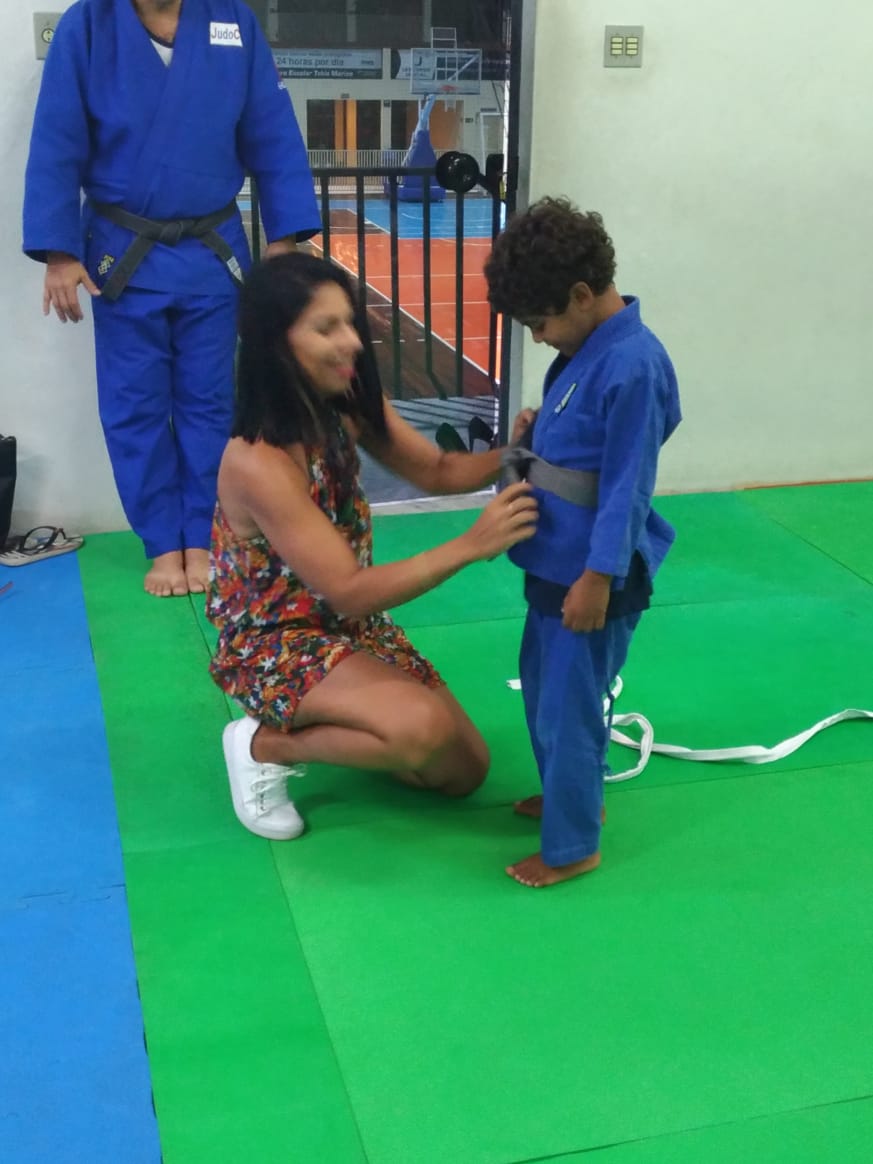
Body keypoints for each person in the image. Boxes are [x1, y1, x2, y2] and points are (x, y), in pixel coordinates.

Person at [206, 252, 538, 841]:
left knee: (464, 772)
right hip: (273, 640)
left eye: (350, 322)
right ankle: (264, 745)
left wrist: (514, 455)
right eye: (326, 327)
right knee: (419, 728)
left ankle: (357, 722)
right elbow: (350, 590)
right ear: (276, 343)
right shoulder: (257, 461)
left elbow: (436, 469)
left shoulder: (344, 403)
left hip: (345, 625)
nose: (353, 341)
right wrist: (471, 544)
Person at [22, 0, 320, 597]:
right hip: (123, 252)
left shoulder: (233, 22)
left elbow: (272, 131)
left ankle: (205, 536)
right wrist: (58, 252)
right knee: (134, 405)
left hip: (211, 249)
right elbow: (58, 137)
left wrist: (283, 237)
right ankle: (162, 541)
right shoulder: (88, 25)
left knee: (211, 402)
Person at [483, 197, 682, 888]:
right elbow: (582, 443)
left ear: (579, 294)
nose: (538, 338)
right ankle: (572, 795)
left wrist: (599, 577)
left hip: (591, 573)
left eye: (540, 323)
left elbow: (627, 483)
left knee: (570, 709)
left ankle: (572, 846)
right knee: (546, 694)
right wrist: (534, 439)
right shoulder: (585, 351)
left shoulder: (633, 365)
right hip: (553, 559)